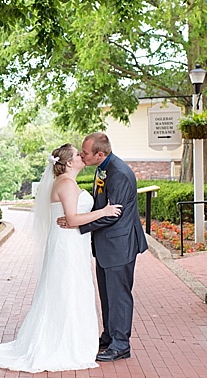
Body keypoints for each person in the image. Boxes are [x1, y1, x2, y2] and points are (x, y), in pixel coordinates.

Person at [0, 143, 122, 373]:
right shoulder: (66, 184)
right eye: (77, 155)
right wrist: (103, 212)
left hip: (71, 243)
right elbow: (72, 220)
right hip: (68, 245)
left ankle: (73, 340)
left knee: (67, 289)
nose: (82, 156)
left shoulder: (66, 183)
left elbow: (70, 218)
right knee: (69, 289)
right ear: (69, 163)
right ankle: (68, 346)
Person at [59, 132, 148, 362]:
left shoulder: (118, 174)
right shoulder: (103, 167)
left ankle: (121, 345)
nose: (82, 155)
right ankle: (109, 337)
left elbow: (112, 214)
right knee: (107, 295)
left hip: (120, 245)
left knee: (119, 296)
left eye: (85, 153)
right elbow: (102, 206)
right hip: (106, 246)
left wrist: (76, 225)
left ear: (100, 154)